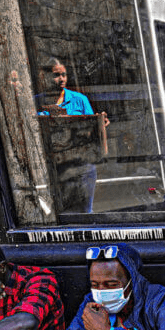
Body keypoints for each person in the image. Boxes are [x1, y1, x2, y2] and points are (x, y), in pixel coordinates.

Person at [36, 57, 109, 213]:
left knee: (85, 212)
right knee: (61, 213)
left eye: (64, 74)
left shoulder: (79, 100)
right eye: (56, 75)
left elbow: (91, 128)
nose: (61, 79)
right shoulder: (37, 101)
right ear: (46, 77)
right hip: (57, 167)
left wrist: (100, 124)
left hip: (82, 166)